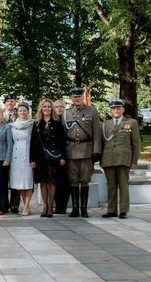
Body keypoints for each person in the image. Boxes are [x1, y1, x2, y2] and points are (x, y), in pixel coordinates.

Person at [62, 87, 102, 218]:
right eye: (74, 97)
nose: (76, 99)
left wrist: (97, 150)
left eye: (79, 96)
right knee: (73, 180)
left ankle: (84, 209)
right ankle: (75, 209)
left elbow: (97, 132)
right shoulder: (66, 113)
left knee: (85, 180)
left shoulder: (92, 111)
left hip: (86, 149)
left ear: (83, 97)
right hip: (71, 150)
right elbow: (62, 134)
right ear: (71, 99)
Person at [101, 99, 141, 219]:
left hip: (123, 159)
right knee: (111, 186)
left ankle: (123, 210)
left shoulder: (131, 123)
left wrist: (134, 161)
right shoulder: (105, 124)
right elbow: (102, 143)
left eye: (118, 108)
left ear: (123, 109)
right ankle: (111, 210)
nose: (116, 110)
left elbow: (136, 144)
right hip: (108, 159)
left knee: (123, 185)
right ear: (110, 110)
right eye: (113, 108)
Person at [30, 99, 66, 218]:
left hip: (54, 158)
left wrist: (63, 157)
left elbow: (62, 142)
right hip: (40, 158)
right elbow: (32, 143)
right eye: (44, 107)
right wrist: (32, 159)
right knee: (43, 182)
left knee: (52, 181)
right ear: (41, 108)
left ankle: (51, 207)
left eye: (49, 107)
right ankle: (44, 206)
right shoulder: (36, 123)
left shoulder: (57, 122)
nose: (46, 109)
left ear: (52, 109)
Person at [9, 103, 35, 216]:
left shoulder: (33, 124)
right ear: (17, 112)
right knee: (19, 182)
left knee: (28, 181)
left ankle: (26, 206)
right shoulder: (12, 125)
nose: (22, 113)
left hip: (28, 152)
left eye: (25, 110)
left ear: (28, 112)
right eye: (20, 111)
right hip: (16, 155)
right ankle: (26, 206)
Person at [2, 94, 20, 214]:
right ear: (4, 103)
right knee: (3, 179)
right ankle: (3, 203)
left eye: (12, 101)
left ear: (14, 103)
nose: (9, 103)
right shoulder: (0, 115)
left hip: (17, 150)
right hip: (3, 151)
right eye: (7, 101)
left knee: (16, 178)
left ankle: (14, 204)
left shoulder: (20, 114)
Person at [53, 99, 71, 214]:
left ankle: (63, 205)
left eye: (61, 106)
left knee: (66, 181)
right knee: (56, 181)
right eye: (57, 106)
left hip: (67, 154)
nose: (59, 108)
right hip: (54, 155)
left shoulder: (68, 120)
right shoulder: (52, 121)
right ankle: (57, 205)